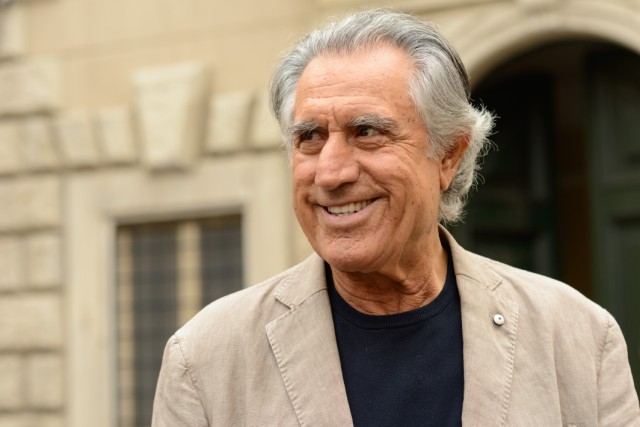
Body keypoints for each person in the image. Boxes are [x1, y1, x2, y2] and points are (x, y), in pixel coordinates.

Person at [152, 8, 640, 426]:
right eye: (310, 137)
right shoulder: (206, 360)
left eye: (367, 131)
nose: (331, 172)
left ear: (448, 155)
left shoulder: (577, 337)